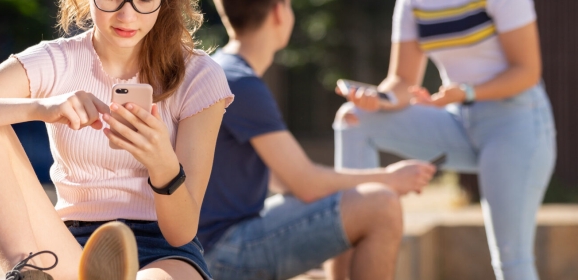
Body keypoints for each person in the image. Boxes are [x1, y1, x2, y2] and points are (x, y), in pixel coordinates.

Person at [0, 0, 233, 278]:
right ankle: (28, 271)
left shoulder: (198, 74)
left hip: (164, 249)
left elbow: (181, 233)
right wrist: (41, 107)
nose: (126, 15)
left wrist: (161, 160)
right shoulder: (56, 59)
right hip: (66, 244)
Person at [197, 0, 437, 279]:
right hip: (222, 255)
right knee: (380, 205)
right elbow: (307, 184)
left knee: (348, 200)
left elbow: (287, 181)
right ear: (279, 11)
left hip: (212, 246)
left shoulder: (223, 70)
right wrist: (390, 178)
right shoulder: (241, 83)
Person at [334, 0, 555, 279]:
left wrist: (467, 92)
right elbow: (401, 80)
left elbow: (526, 71)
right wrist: (379, 99)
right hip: (459, 118)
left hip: (516, 121)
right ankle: (357, 228)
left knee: (512, 258)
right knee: (354, 118)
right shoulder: (411, 3)